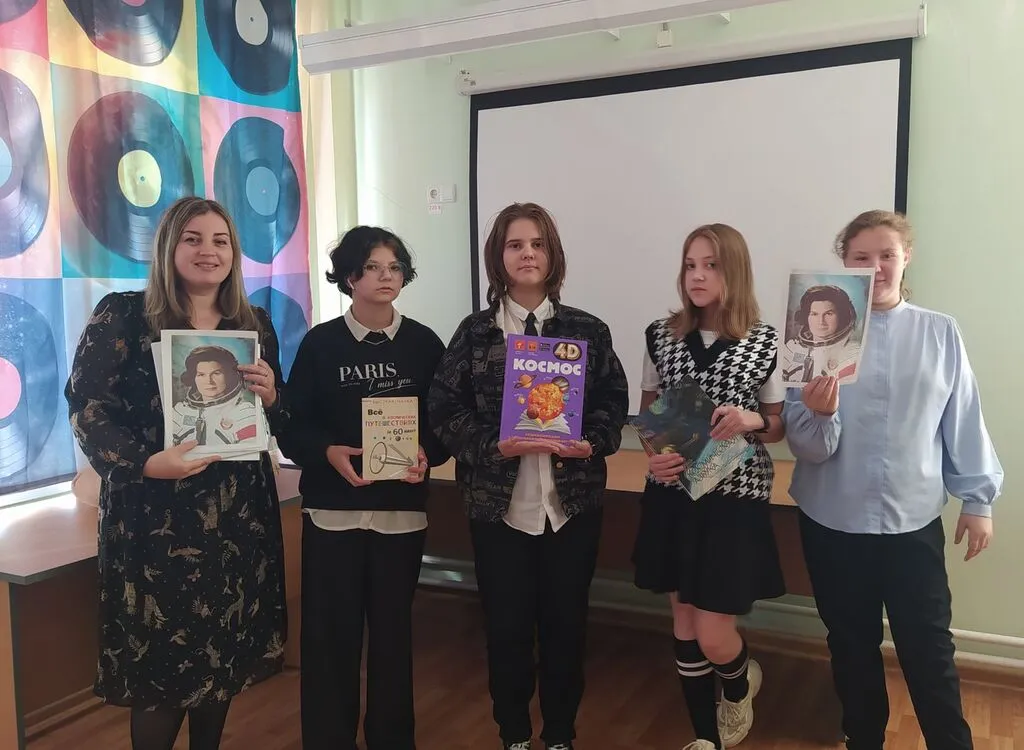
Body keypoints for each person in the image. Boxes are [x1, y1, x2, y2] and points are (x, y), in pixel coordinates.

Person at [64, 197, 288, 750]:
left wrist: (271, 396)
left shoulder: (252, 324)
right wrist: (145, 462)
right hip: (154, 514)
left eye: (220, 240)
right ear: (168, 246)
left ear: (234, 253)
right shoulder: (122, 315)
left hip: (237, 514)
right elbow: (87, 407)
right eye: (193, 238)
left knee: (222, 654)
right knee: (159, 668)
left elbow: (273, 415)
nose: (208, 251)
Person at [781, 210, 1002, 750]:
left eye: (887, 255)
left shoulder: (939, 331)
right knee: (850, 645)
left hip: (912, 522)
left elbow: (962, 418)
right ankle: (864, 740)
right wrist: (821, 415)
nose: (875, 267)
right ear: (844, 263)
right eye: (862, 257)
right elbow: (808, 449)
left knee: (928, 647)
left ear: (907, 259)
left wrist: (978, 500)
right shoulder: (814, 335)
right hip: (833, 520)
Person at [428, 202, 629, 750]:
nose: (527, 254)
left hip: (571, 507)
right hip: (500, 510)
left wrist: (594, 441)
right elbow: (444, 410)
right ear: (499, 257)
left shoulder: (587, 330)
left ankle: (560, 735)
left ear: (552, 254)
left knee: (567, 629)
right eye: (515, 245)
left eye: (537, 244)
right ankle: (514, 734)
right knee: (507, 630)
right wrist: (494, 446)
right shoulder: (474, 333)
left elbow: (613, 400)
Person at [275, 226, 450, 750]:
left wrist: (427, 455)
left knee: (393, 642)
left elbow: (445, 423)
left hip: (401, 513)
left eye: (394, 268)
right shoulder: (320, 343)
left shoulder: (425, 344)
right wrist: (327, 451)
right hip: (333, 514)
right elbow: (292, 425)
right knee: (329, 642)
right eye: (372, 267)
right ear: (350, 276)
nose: (385, 277)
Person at [631, 223, 787, 750]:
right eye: (690, 265)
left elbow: (777, 424)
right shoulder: (661, 335)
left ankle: (739, 686)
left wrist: (751, 420)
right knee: (683, 622)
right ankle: (705, 738)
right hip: (674, 496)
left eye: (711, 265)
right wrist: (653, 458)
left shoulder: (764, 341)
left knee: (714, 634)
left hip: (733, 501)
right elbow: (649, 414)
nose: (697, 276)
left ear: (734, 270)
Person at [170, 344, 259, 446]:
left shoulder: (244, 413)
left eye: (216, 373)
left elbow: (249, 452)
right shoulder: (180, 411)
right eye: (201, 374)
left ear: (230, 376)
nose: (209, 381)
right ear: (194, 378)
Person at [780, 284, 860, 383]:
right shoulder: (792, 348)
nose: (821, 321)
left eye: (828, 314)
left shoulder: (852, 353)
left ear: (842, 316)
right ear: (806, 317)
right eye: (814, 314)